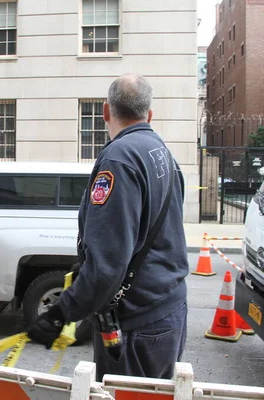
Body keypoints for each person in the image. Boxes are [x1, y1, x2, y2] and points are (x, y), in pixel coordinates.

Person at [26, 73, 189, 381]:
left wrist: (61, 314)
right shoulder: (163, 154)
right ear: (149, 115)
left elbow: (108, 265)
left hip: (137, 324)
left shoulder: (119, 158)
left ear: (105, 111)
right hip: (167, 310)